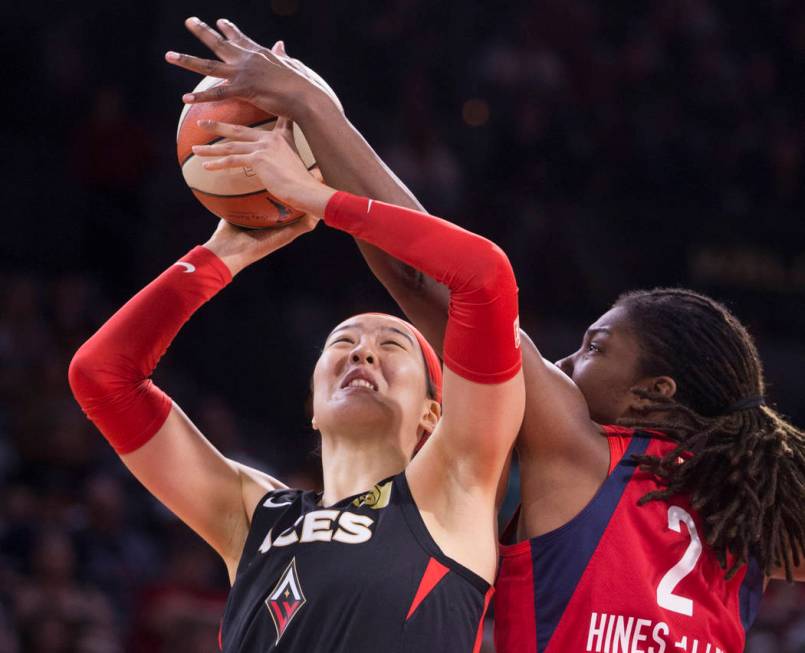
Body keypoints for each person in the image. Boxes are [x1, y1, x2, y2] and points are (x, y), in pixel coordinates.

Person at [165, 16, 805, 653]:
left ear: (652, 393)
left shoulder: (577, 448)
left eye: (594, 349)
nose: (564, 360)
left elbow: (427, 279)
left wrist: (311, 111)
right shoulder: (749, 510)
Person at [69, 109, 525, 652]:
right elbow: (101, 376)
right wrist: (223, 254)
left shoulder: (454, 487)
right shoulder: (254, 514)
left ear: (434, 410)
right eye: (342, 343)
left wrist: (319, 200)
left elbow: (483, 277)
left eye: (392, 345)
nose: (363, 352)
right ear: (313, 404)